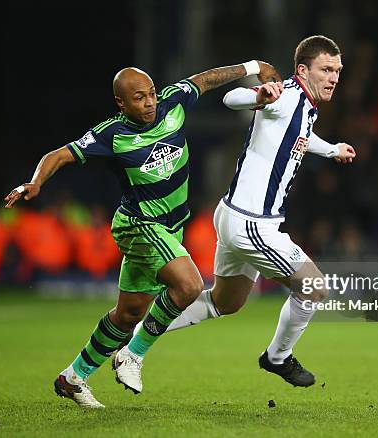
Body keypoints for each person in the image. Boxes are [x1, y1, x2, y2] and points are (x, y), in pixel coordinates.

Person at [4, 60, 281, 408]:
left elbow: (208, 79)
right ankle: (132, 355)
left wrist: (254, 66)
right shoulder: (112, 134)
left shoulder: (173, 101)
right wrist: (36, 181)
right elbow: (60, 154)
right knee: (190, 285)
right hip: (140, 226)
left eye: (150, 94)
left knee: (129, 314)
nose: (149, 102)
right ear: (122, 103)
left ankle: (73, 376)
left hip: (170, 228)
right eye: (139, 98)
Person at [134, 35, 356, 388]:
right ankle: (277, 358)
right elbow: (230, 98)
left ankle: (135, 337)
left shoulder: (304, 107)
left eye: (338, 71)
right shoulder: (285, 96)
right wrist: (257, 95)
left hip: (233, 214)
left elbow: (299, 136)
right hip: (254, 224)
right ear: (302, 70)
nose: (333, 77)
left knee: (225, 302)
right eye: (326, 69)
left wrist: (331, 150)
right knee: (314, 287)